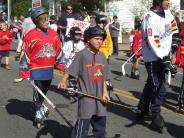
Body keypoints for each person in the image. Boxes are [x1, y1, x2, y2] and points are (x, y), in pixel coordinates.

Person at [58, 26, 110, 138]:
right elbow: (71, 70)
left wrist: (105, 93)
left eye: (101, 39)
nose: (99, 41)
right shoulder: (82, 55)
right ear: (88, 40)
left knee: (100, 127)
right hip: (86, 97)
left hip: (100, 97)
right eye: (96, 38)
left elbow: (104, 78)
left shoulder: (102, 56)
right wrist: (63, 80)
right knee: (82, 126)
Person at [136, 0, 178, 133]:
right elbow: (153, 38)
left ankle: (142, 109)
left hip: (164, 55)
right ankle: (155, 115)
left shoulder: (168, 13)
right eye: (166, 0)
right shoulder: (149, 17)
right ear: (158, 1)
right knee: (158, 86)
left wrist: (174, 47)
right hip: (153, 56)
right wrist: (163, 57)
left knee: (151, 83)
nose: (169, 2)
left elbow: (174, 30)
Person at [18, 7, 63, 127]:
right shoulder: (31, 35)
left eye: (47, 19)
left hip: (48, 68)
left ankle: (38, 105)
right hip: (36, 68)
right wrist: (24, 70)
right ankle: (38, 111)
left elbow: (58, 50)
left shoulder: (54, 34)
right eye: (43, 20)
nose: (46, 22)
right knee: (38, 91)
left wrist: (60, 64)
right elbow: (25, 53)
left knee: (44, 90)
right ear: (36, 21)